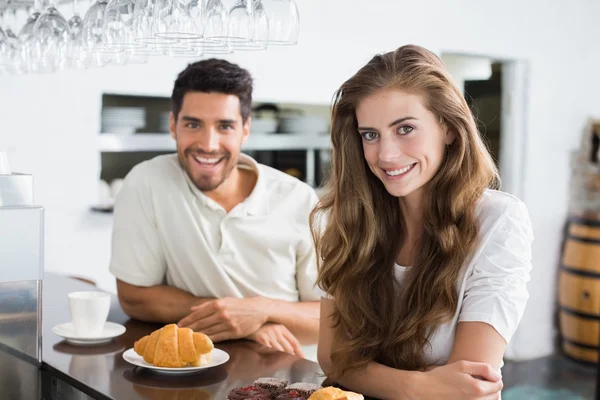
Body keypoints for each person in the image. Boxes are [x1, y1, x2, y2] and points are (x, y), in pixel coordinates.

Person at [311, 44, 534, 399]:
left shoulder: (499, 221)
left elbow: (466, 387)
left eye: (405, 129)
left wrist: (367, 373)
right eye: (370, 134)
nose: (386, 154)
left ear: (447, 126)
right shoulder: (350, 220)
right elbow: (333, 359)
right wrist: (421, 384)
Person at [109, 58, 321, 358]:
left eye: (225, 126)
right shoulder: (147, 182)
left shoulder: (298, 199)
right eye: (193, 124)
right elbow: (134, 298)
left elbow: (332, 320)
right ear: (173, 125)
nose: (208, 144)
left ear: (245, 130)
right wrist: (239, 322)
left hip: (290, 378)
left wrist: (261, 311)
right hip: (194, 373)